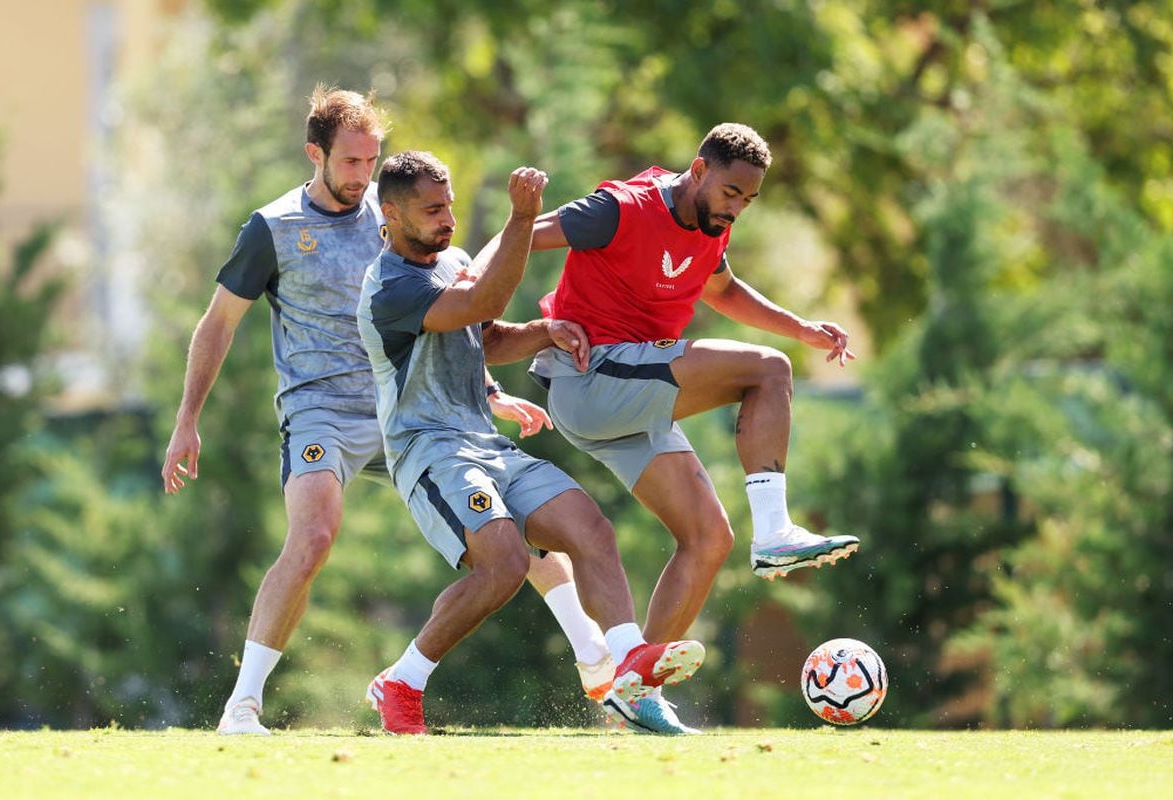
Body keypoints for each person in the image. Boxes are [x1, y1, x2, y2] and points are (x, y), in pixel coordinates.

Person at [160, 86, 614, 737]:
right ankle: (244, 705)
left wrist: (485, 392)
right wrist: (186, 422)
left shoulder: (401, 213)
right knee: (313, 536)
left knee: (515, 527)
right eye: (348, 162)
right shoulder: (275, 228)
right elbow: (217, 325)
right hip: (322, 414)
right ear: (314, 153)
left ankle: (593, 657)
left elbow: (441, 314)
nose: (361, 176)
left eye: (370, 161)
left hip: (411, 413)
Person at [518, 123, 860, 733]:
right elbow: (518, 238)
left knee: (709, 539)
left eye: (749, 200)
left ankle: (634, 689)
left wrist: (803, 328)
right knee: (767, 372)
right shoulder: (622, 208)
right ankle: (776, 531)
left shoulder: (709, 229)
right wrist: (458, 297)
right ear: (698, 170)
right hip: (590, 379)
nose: (737, 209)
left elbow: (724, 291)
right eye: (731, 192)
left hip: (627, 401)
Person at [356, 150, 705, 735]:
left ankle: (627, 661)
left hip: (483, 442)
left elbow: (483, 336)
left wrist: (544, 331)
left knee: (589, 529)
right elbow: (481, 303)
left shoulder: (455, 260)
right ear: (390, 213)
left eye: (450, 207)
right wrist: (522, 220)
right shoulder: (389, 285)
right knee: (504, 565)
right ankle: (403, 681)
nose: (447, 219)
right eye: (432, 209)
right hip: (428, 450)